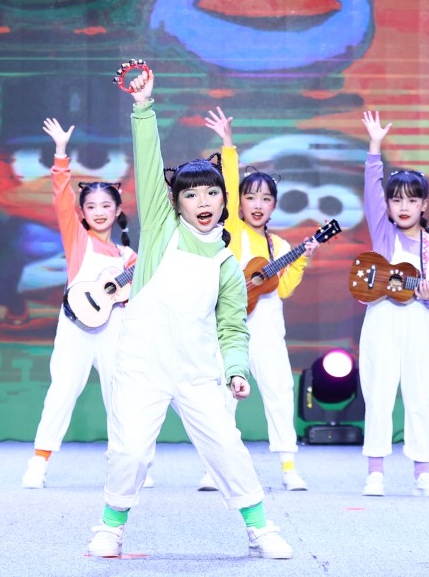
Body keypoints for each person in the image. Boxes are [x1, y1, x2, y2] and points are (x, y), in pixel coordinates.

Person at [87, 62, 294, 561]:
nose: (203, 200)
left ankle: (260, 528)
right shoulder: (162, 231)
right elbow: (147, 159)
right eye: (192, 194)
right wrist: (143, 106)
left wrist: (237, 369)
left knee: (227, 448)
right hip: (142, 367)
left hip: (198, 371)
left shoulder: (227, 264)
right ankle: (111, 527)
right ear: (176, 202)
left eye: (212, 193)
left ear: (224, 201)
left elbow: (232, 327)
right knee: (130, 452)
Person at [204, 106, 316, 492]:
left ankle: (288, 467)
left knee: (279, 393)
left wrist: (302, 260)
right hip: (231, 326)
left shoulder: (280, 245)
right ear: (238, 202)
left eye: (265, 198)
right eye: (250, 197)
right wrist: (228, 144)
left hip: (268, 328)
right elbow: (228, 181)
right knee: (223, 395)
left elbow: (282, 289)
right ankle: (215, 469)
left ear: (273, 205)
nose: (257, 204)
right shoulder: (232, 231)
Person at [23, 116, 137, 489]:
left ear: (118, 211)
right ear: (83, 213)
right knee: (62, 391)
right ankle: (38, 464)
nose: (99, 211)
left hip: (113, 327)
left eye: (106, 205)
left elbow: (136, 293)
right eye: (91, 206)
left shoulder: (129, 257)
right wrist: (60, 153)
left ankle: (125, 464)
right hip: (75, 325)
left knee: (118, 395)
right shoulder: (79, 241)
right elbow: (62, 197)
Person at [359, 109, 429, 498]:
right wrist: (375, 146)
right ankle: (375, 472)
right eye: (396, 200)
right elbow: (371, 190)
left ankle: (422, 473)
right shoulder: (383, 236)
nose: (403, 207)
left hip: (419, 329)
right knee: (378, 396)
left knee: (420, 398)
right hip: (381, 325)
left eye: (411, 200)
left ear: (424, 205)